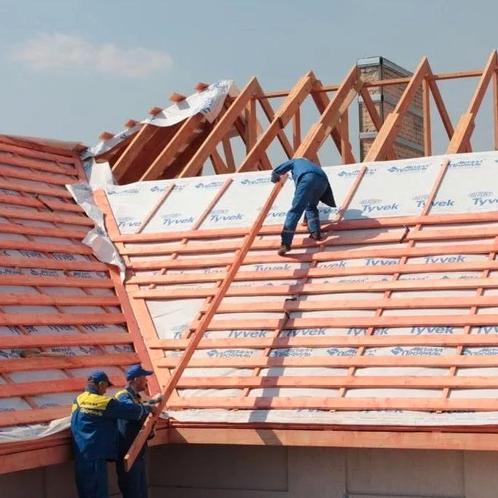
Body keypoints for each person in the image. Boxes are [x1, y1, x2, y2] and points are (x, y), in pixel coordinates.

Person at [71, 370, 155, 498]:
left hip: (82, 454)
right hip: (95, 455)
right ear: (101, 384)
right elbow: (128, 410)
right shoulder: (101, 402)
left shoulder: (78, 399)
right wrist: (148, 408)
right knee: (97, 493)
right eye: (105, 387)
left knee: (86, 493)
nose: (105, 391)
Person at [271, 157, 336, 255]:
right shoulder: (314, 166)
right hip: (323, 182)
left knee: (295, 210)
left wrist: (275, 176)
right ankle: (315, 233)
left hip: (307, 178)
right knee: (311, 206)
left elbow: (278, 170)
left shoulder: (296, 161)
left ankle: (285, 243)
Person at [115, 365, 163, 498]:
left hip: (137, 452)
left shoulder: (136, 398)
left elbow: (138, 407)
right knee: (133, 492)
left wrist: (153, 402)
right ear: (136, 379)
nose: (146, 380)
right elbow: (131, 409)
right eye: (144, 377)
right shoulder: (122, 396)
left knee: (141, 493)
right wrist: (149, 407)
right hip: (128, 452)